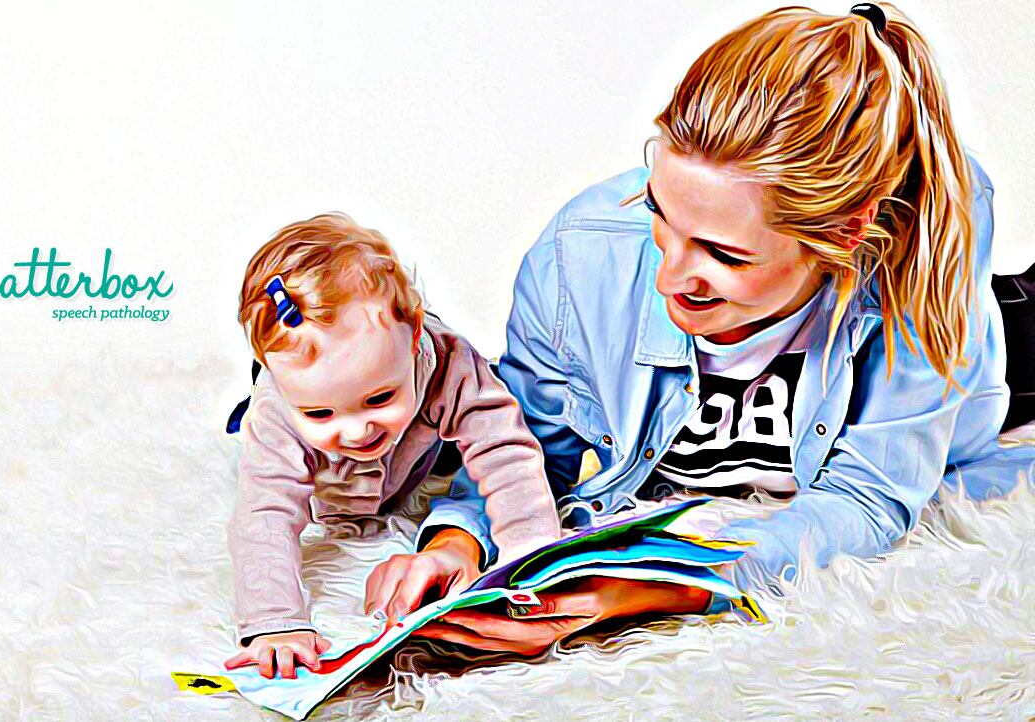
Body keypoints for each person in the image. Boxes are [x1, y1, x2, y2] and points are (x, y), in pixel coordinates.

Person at [363, 3, 1035, 656]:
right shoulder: (580, 256)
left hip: (1000, 344)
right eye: (660, 214)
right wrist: (455, 542)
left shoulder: (920, 256)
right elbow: (526, 443)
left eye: (723, 254)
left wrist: (661, 588)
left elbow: (868, 500)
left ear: (847, 232)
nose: (668, 277)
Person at [221, 213, 562, 677]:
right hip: (327, 475)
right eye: (321, 412)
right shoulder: (279, 409)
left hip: (416, 449)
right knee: (256, 441)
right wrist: (274, 623)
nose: (359, 431)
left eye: (379, 397)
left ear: (416, 334)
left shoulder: (447, 361)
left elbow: (505, 450)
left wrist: (533, 553)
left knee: (494, 398)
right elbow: (264, 515)